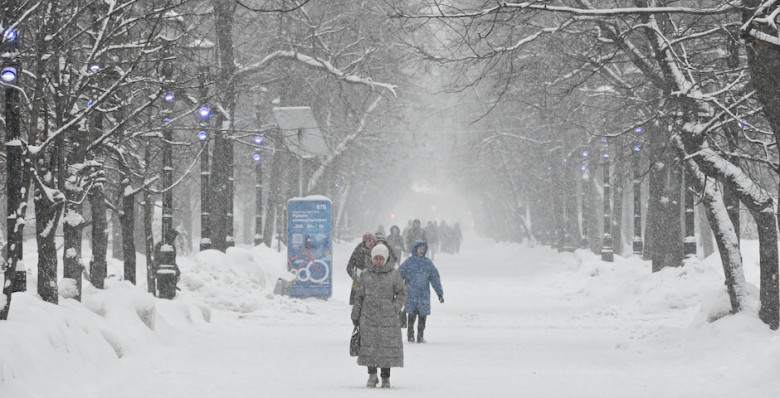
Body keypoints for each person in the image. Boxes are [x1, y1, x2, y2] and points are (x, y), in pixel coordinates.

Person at [351, 244, 407, 388]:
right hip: (368, 316)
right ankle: (372, 375)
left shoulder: (394, 274)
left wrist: (395, 307)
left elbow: (402, 292)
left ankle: (385, 377)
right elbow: (359, 296)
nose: (378, 261)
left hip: (388, 318)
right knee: (369, 346)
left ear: (386, 258)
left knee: (386, 347)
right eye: (376, 258)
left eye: (381, 258)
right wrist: (355, 312)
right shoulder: (365, 274)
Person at [399, 240, 444, 343]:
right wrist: (395, 289)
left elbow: (435, 278)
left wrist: (439, 293)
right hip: (411, 294)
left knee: (422, 317)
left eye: (423, 249)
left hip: (424, 294)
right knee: (411, 316)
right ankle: (410, 336)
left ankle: (420, 336)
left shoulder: (428, 264)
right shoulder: (408, 262)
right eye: (420, 248)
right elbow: (399, 276)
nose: (421, 251)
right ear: (415, 249)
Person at [347, 232, 375, 305]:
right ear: (364, 241)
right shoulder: (358, 250)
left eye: (373, 241)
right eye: (369, 241)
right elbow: (349, 266)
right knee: (354, 299)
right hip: (358, 278)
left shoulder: (376, 251)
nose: (371, 243)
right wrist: (354, 275)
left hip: (372, 280)